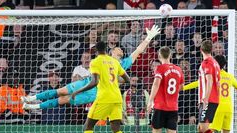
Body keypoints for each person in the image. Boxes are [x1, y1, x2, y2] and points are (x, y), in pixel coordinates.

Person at [22, 25, 161, 112]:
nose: (119, 48)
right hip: (85, 82)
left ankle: (32, 107)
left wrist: (148, 38)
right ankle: (30, 98)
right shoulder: (102, 57)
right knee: (60, 91)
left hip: (94, 93)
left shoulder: (122, 63)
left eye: (120, 50)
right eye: (117, 48)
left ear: (119, 55)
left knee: (63, 99)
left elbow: (137, 50)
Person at [70, 41, 132, 133]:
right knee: (116, 129)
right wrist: (113, 83)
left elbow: (94, 82)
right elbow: (127, 79)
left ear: (96, 51)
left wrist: (78, 91)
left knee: (88, 126)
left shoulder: (95, 62)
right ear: (106, 49)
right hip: (117, 98)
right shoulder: (114, 61)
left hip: (104, 98)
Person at [184, 55, 237, 133]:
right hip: (229, 108)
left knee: (208, 131)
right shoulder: (229, 76)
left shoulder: (214, 75)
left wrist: (184, 87)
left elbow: (198, 83)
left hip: (218, 107)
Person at [147, 46, 188, 133]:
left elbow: (156, 83)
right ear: (170, 56)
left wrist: (150, 100)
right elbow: (181, 87)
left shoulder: (160, 68)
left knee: (156, 131)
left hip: (160, 106)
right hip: (173, 107)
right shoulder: (178, 69)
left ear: (159, 57)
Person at [193, 40, 229, 133]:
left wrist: (206, 98)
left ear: (201, 50)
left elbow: (209, 81)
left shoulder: (207, 63)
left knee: (204, 127)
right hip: (213, 99)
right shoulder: (215, 63)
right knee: (200, 127)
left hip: (208, 99)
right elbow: (218, 83)